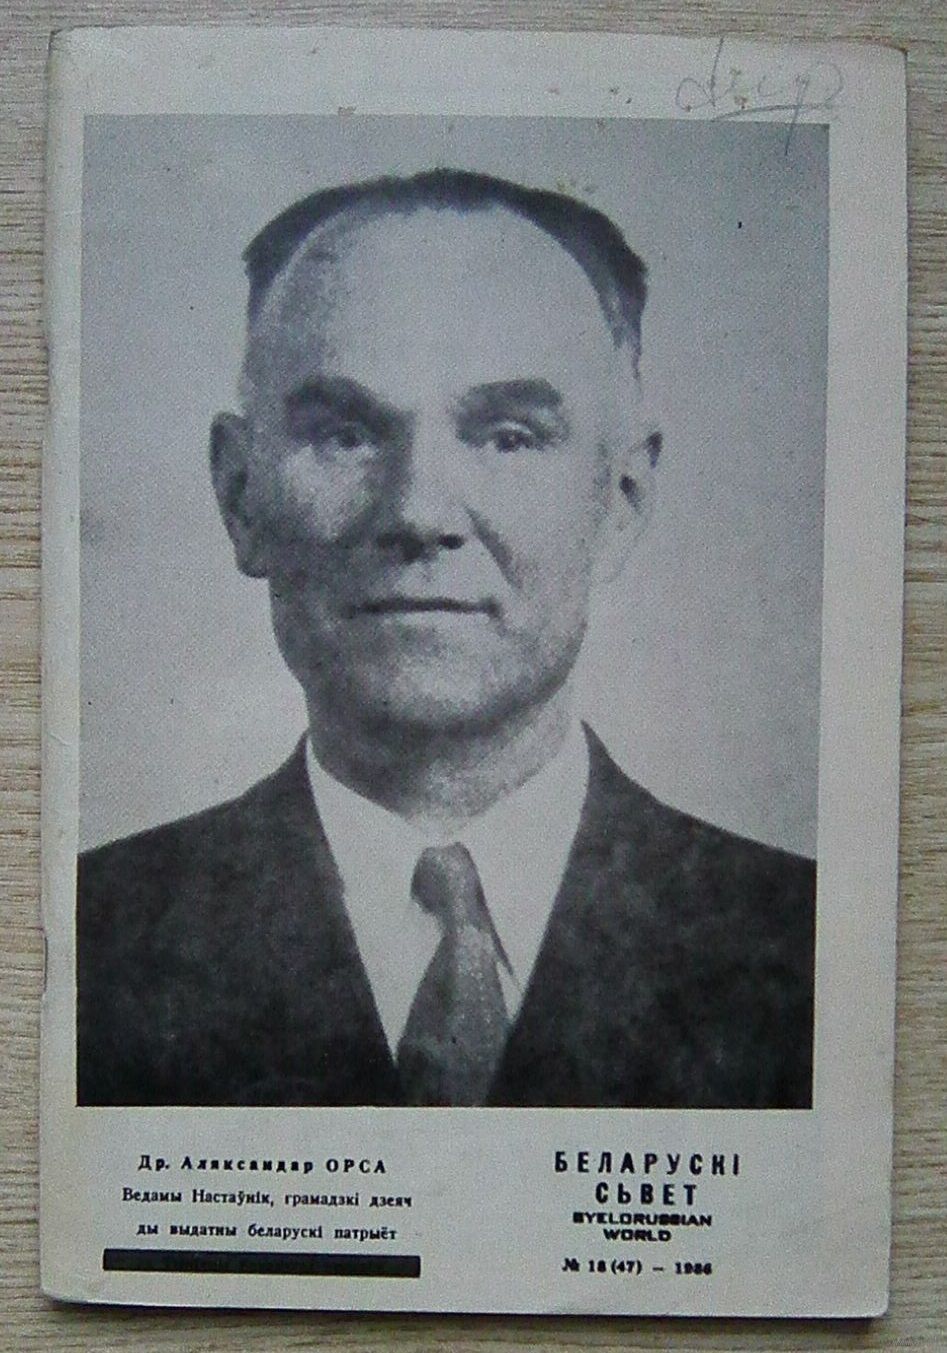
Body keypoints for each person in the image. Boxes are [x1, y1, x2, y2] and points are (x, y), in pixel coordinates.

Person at [77, 169, 815, 1109]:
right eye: (346, 434)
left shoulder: (813, 950)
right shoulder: (76, 944)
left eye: (507, 436)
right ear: (239, 496)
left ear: (622, 500)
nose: (420, 512)